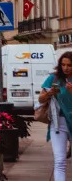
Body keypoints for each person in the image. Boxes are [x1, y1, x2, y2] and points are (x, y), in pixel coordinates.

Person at [38, 51, 71, 181]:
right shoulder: (54, 78)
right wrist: (48, 93)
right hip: (59, 123)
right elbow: (40, 100)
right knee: (60, 160)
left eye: (69, 65)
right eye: (63, 64)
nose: (66, 68)